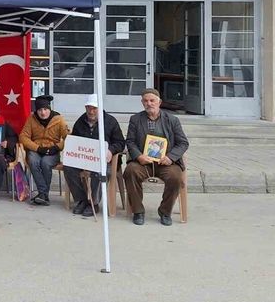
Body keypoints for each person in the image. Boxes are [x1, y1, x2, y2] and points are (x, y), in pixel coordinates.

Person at [124, 88, 189, 226]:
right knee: (130, 171)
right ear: (142, 103)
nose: (149, 103)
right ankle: (138, 211)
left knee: (175, 177)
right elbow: (130, 142)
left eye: (152, 100)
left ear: (159, 102)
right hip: (143, 163)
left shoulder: (172, 120)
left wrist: (170, 157)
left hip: (166, 163)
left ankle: (165, 212)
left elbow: (183, 143)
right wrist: (139, 156)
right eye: (146, 101)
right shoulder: (135, 119)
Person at [63, 94, 126, 218]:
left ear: (100, 108)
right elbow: (75, 140)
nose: (91, 111)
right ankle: (81, 200)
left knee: (100, 171)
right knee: (68, 167)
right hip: (84, 158)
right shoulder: (81, 121)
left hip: (105, 160)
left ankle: (94, 202)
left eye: (94, 108)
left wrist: (111, 150)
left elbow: (120, 142)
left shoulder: (110, 121)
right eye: (89, 108)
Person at [19, 95, 69, 206]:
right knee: (33, 161)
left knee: (45, 163)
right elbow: (23, 137)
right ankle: (44, 194)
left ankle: (42, 195)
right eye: (40, 110)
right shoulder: (31, 119)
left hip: (52, 151)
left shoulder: (59, 119)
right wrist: (37, 148)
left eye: (45, 109)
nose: (43, 113)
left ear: (49, 109)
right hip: (36, 149)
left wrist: (57, 147)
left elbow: (68, 138)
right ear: (36, 111)